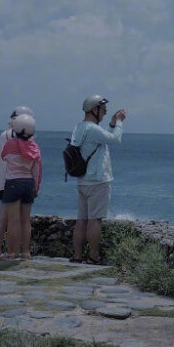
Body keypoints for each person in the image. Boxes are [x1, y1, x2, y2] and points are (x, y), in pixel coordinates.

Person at [70, 94, 126, 264]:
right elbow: (115, 139)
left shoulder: (79, 128)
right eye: (103, 110)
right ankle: (93, 256)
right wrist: (120, 122)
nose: (104, 112)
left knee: (82, 220)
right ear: (94, 110)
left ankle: (78, 255)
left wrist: (111, 124)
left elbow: (104, 140)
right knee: (95, 220)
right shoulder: (93, 129)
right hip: (98, 180)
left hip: (83, 180)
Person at [0, 105, 33, 260]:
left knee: (3, 219)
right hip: (13, 180)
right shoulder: (15, 136)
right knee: (14, 220)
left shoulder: (5, 134)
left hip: (3, 181)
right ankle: (15, 252)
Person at [0, 113, 42, 260]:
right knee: (26, 220)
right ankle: (25, 252)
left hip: (13, 182)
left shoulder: (10, 144)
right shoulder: (34, 147)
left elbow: (4, 157)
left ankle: (12, 252)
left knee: (13, 221)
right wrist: (36, 188)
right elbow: (36, 170)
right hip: (28, 183)